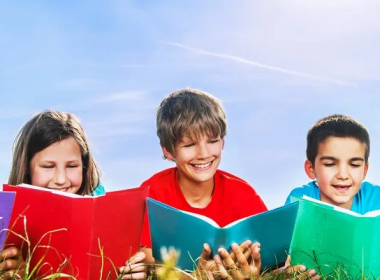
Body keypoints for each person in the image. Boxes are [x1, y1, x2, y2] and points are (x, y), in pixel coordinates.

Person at [140, 88, 270, 278]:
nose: (203, 154)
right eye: (189, 145)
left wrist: (254, 269)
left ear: (222, 142)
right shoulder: (152, 193)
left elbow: (269, 250)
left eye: (212, 141)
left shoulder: (243, 193)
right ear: (168, 150)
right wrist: (191, 275)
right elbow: (144, 256)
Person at [6, 110, 146, 279]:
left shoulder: (99, 208)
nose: (60, 179)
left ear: (84, 166)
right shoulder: (7, 216)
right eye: (48, 167)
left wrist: (132, 271)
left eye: (72, 166)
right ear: (27, 168)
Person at [285, 114, 380, 214]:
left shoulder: (375, 198)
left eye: (354, 165)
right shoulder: (299, 200)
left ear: (365, 170)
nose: (343, 175)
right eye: (330, 164)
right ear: (311, 169)